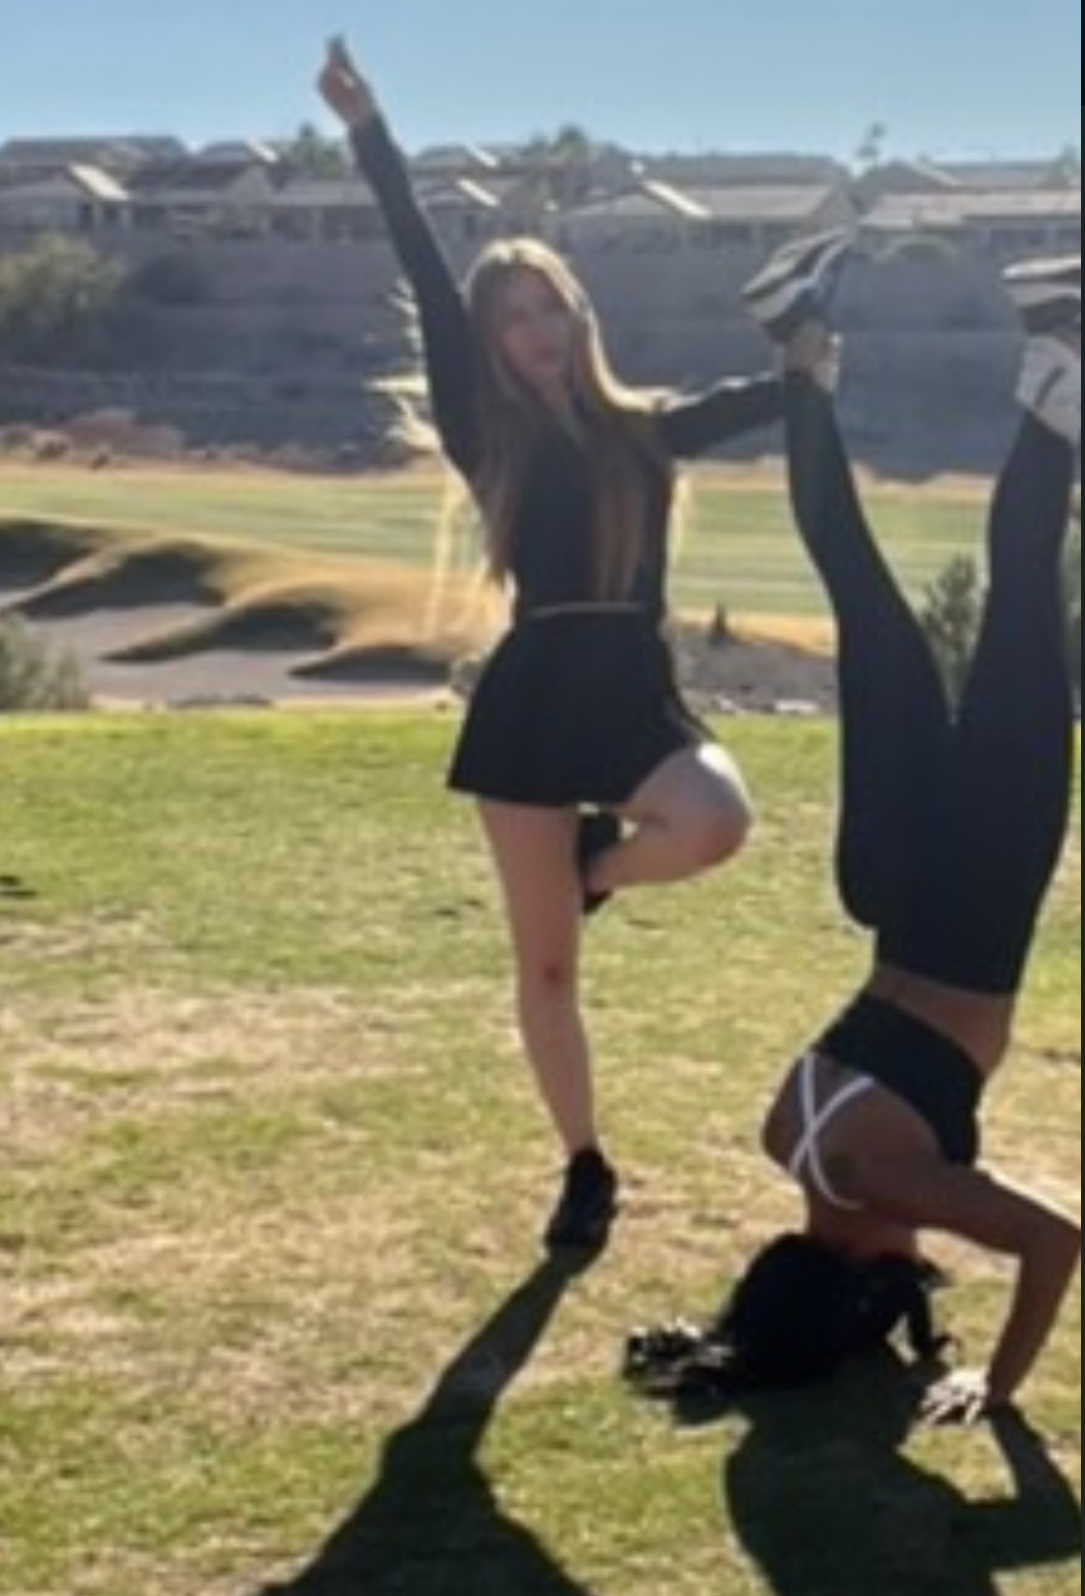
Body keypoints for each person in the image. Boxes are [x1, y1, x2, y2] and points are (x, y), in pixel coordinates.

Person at [317, 37, 798, 1251]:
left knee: (716, 822)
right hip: (533, 699)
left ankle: (593, 869)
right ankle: (583, 1164)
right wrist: (370, 132)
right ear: (489, 342)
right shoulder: (488, 432)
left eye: (548, 306)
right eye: (511, 316)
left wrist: (806, 369)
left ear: (577, 316)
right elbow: (428, 277)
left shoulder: (643, 433)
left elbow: (749, 406)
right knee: (545, 973)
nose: (532, 327)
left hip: (633, 695)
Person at [626, 244, 1081, 1420]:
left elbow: (1054, 1243)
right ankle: (798, 353)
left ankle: (1058, 345)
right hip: (882, 887)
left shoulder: (895, 1181)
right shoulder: (785, 1136)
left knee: (1021, 589)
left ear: (860, 1294)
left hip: (974, 903)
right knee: (860, 592)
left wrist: (998, 1381)